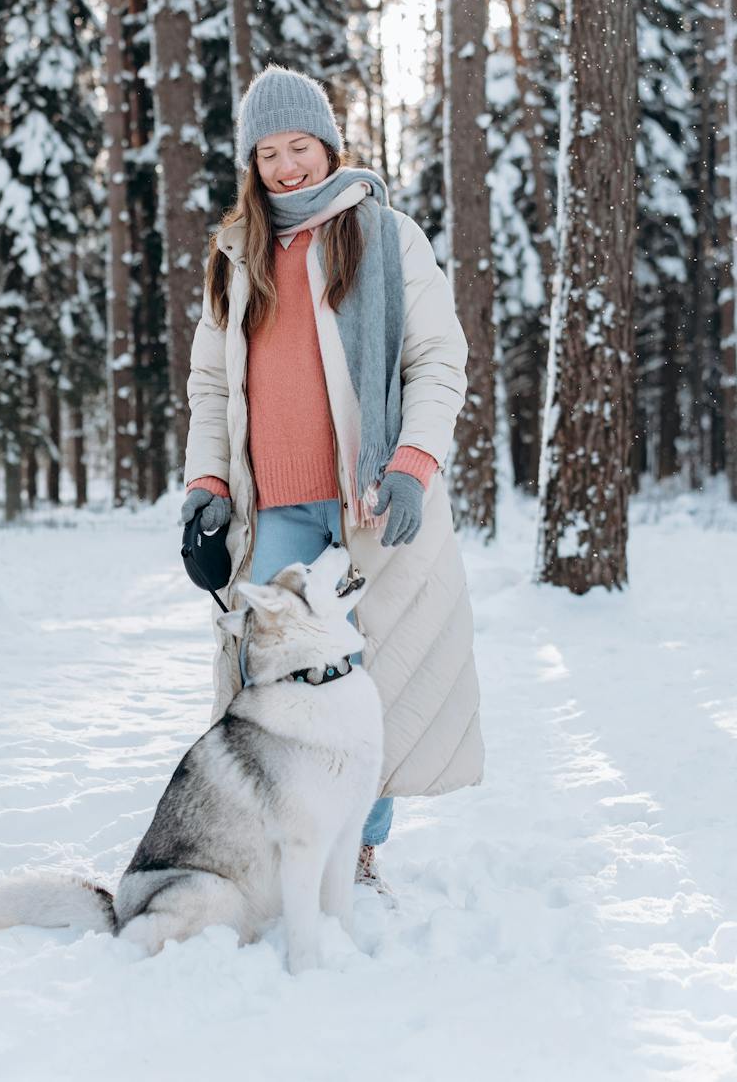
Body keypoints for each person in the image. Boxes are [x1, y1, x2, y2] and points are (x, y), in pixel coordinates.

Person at [181, 65, 485, 898]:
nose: (287, 166)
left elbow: (438, 361)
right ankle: (268, 836)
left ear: (328, 146)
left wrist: (414, 466)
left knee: (369, 680)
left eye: (300, 146)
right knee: (270, 682)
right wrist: (206, 482)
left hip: (367, 504)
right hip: (271, 506)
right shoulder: (236, 255)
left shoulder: (386, 236)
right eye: (269, 152)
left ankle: (355, 848)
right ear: (252, 162)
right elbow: (212, 386)